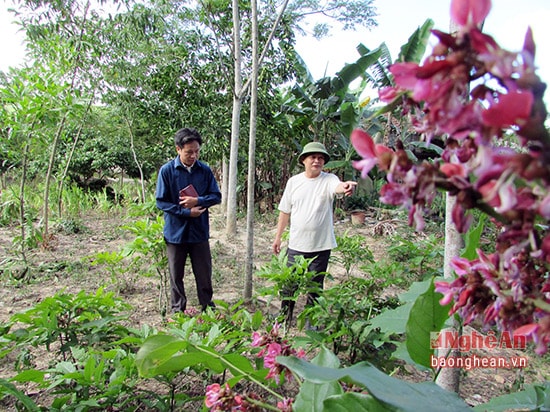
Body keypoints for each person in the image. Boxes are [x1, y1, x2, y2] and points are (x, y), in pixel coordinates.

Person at [272, 141, 356, 325]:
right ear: (304, 160)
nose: (317, 161)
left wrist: (346, 186)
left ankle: (311, 322)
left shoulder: (329, 179)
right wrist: (278, 237)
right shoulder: (294, 182)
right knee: (289, 286)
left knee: (315, 287)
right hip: (296, 244)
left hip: (320, 245)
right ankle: (285, 318)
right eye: (313, 157)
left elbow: (338, 187)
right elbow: (285, 211)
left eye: (320, 158)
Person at [156, 127, 222, 314]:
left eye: (197, 151)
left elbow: (216, 196)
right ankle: (178, 311)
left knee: (203, 273)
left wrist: (198, 201)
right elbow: (161, 202)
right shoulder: (167, 171)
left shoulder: (204, 170)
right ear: (178, 149)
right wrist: (186, 212)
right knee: (176, 275)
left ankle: (208, 308)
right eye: (189, 152)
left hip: (199, 232)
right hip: (176, 233)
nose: (194, 155)